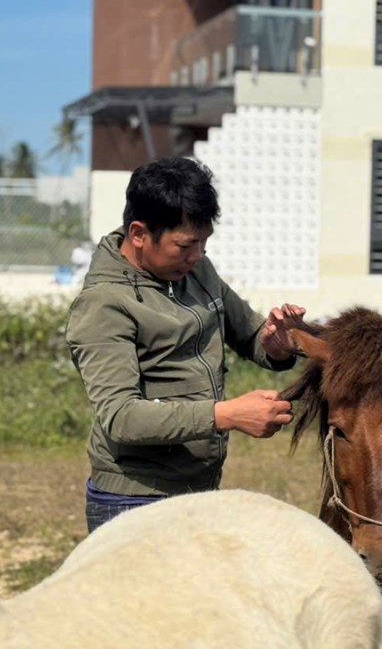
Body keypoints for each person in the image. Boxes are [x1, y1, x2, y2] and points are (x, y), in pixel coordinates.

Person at [65, 156, 307, 533]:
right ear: (139, 234)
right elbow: (122, 416)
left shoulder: (196, 271)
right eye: (185, 245)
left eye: (204, 243)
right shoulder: (104, 305)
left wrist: (278, 343)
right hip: (134, 502)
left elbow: (250, 333)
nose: (197, 256)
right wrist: (226, 415)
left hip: (198, 490)